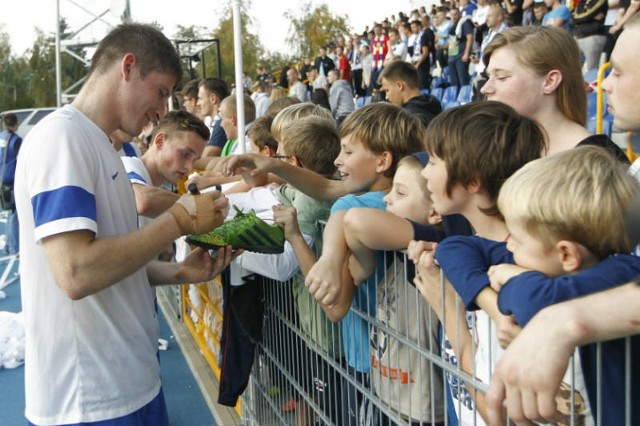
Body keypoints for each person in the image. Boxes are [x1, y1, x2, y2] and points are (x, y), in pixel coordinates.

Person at [14, 23, 234, 426]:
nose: (163, 110)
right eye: (162, 91)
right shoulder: (62, 137)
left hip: (126, 385)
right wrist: (178, 220)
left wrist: (178, 271)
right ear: (128, 67)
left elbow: (111, 260)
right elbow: (76, 272)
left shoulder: (100, 143)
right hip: (88, 400)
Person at [223, 103, 425, 426]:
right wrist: (274, 164)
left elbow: (334, 305)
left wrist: (324, 255)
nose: (336, 160)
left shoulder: (364, 205)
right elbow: (330, 188)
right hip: (377, 358)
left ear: (382, 161)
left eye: (347, 151)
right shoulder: (367, 196)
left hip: (373, 361)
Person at [485, 14, 640, 423]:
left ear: (550, 81)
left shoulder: (601, 164)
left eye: (618, 71)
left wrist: (551, 310)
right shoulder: (511, 152)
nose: (603, 84)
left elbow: (614, 267)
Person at [407, 101, 547, 425]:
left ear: (472, 180)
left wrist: (446, 307)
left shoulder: (515, 276)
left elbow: (499, 414)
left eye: (435, 161)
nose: (425, 171)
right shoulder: (472, 254)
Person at [487, 145, 640, 424]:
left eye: (517, 240)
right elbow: (460, 248)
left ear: (566, 254)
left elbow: (539, 301)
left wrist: (513, 278)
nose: (508, 245)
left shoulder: (623, 272)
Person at [341, 153, 447, 425]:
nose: (386, 198)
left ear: (435, 212)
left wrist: (359, 266)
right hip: (385, 394)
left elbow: (355, 220)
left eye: (400, 193)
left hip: (418, 411)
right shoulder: (397, 250)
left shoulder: (432, 254)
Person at [481, 25, 628, 162]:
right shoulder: (506, 148)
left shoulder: (599, 161)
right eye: (489, 77)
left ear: (550, 81)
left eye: (501, 77)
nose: (485, 88)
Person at [122, 110, 209, 226]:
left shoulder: (160, 194)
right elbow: (143, 200)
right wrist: (198, 206)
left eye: (195, 160)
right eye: (186, 154)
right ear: (160, 141)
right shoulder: (126, 165)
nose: (189, 168)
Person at [379, 60, 442, 129]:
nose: (386, 97)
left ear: (400, 86)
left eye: (387, 90)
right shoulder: (435, 107)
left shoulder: (407, 121)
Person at [0, 113, 21, 255]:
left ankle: (8, 243)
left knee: (7, 211)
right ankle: (13, 246)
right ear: (15, 124)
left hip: (1, 178)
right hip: (11, 179)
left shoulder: (1, 137)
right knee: (14, 213)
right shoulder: (15, 140)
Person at [197, 77, 231, 159]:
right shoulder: (215, 121)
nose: (198, 103)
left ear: (213, 99)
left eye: (200, 98)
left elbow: (207, 156)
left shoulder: (222, 122)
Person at [572, 0, 609, 71]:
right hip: (578, 36)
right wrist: (590, 16)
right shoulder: (581, 2)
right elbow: (574, 18)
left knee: (591, 70)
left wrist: (582, 16)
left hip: (593, 37)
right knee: (573, 68)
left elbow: (582, 16)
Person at [448, 7, 474, 89]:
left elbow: (470, 37)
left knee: (463, 81)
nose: (454, 17)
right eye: (452, 15)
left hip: (461, 56)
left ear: (459, 14)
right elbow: (452, 42)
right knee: (454, 83)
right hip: (453, 56)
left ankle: (464, 100)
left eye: (455, 14)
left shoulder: (464, 23)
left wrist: (466, 54)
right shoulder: (453, 27)